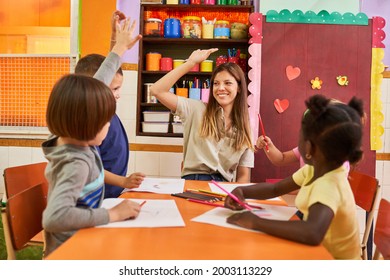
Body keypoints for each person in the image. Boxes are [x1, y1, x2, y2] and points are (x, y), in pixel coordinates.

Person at [224, 94, 364, 260]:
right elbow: (276, 189)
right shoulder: (314, 169)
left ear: (310, 147)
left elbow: (312, 232)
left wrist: (256, 222)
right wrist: (242, 191)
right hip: (318, 255)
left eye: (300, 135)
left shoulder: (330, 183)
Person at [42, 74, 142, 257]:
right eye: (106, 122)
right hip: (71, 252)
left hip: (84, 239)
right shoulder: (75, 163)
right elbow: (55, 217)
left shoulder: (76, 146)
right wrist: (113, 214)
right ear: (87, 124)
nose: (108, 127)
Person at [150, 49, 254, 182]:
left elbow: (244, 176)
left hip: (224, 187)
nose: (220, 88)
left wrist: (235, 198)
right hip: (194, 181)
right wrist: (191, 63)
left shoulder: (245, 128)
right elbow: (156, 90)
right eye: (216, 83)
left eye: (227, 83)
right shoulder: (196, 109)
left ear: (239, 88)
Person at [75, 11, 145, 198]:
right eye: (113, 89)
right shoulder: (88, 117)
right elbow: (99, 82)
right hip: (97, 200)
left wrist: (115, 40)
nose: (117, 95)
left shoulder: (102, 110)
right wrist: (120, 46)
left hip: (111, 197)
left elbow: (106, 73)